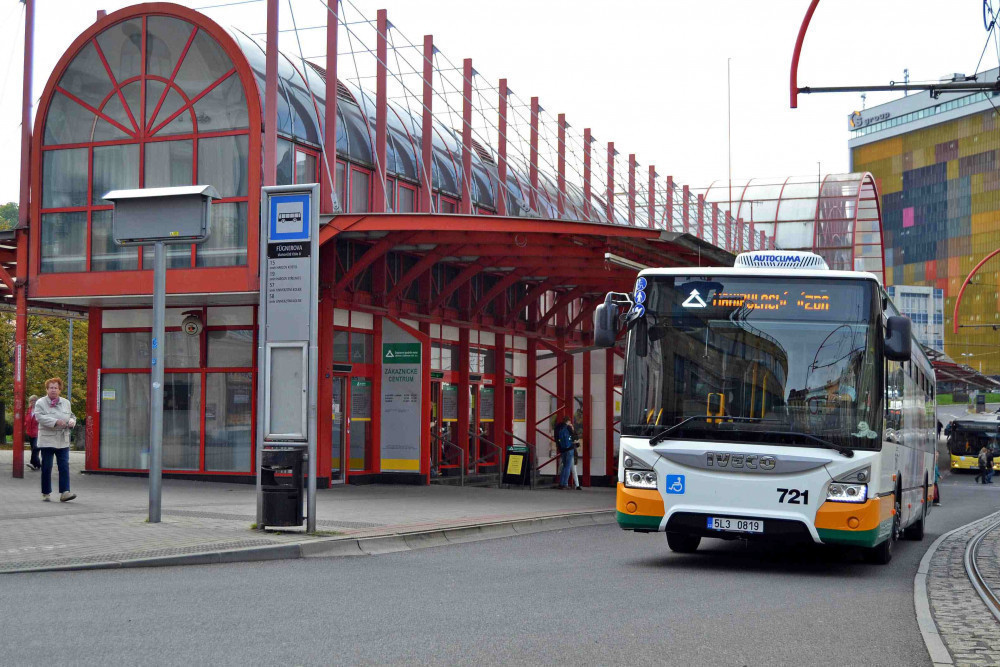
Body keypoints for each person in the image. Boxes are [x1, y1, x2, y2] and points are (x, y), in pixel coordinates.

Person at [32, 378, 77, 502]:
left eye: (55, 388)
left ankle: (65, 492)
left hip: (63, 440)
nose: (53, 390)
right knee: (47, 466)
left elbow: (71, 415)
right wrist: (56, 421)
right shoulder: (40, 402)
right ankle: (46, 492)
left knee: (64, 466)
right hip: (47, 440)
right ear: (46, 389)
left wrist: (72, 421)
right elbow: (39, 417)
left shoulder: (66, 402)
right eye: (51, 387)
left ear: (60, 390)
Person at [555, 416, 575, 490]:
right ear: (568, 421)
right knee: (568, 466)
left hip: (562, 449)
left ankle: (561, 483)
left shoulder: (559, 428)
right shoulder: (568, 428)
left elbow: (556, 439)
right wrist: (572, 429)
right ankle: (565, 484)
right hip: (569, 449)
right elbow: (574, 437)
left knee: (564, 466)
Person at [25, 394, 40, 472]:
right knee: (34, 449)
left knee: (35, 447)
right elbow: (26, 419)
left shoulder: (40, 410)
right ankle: (38, 465)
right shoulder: (29, 410)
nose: (33, 402)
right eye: (31, 400)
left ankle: (32, 463)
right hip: (30, 433)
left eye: (34, 400)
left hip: (38, 433)